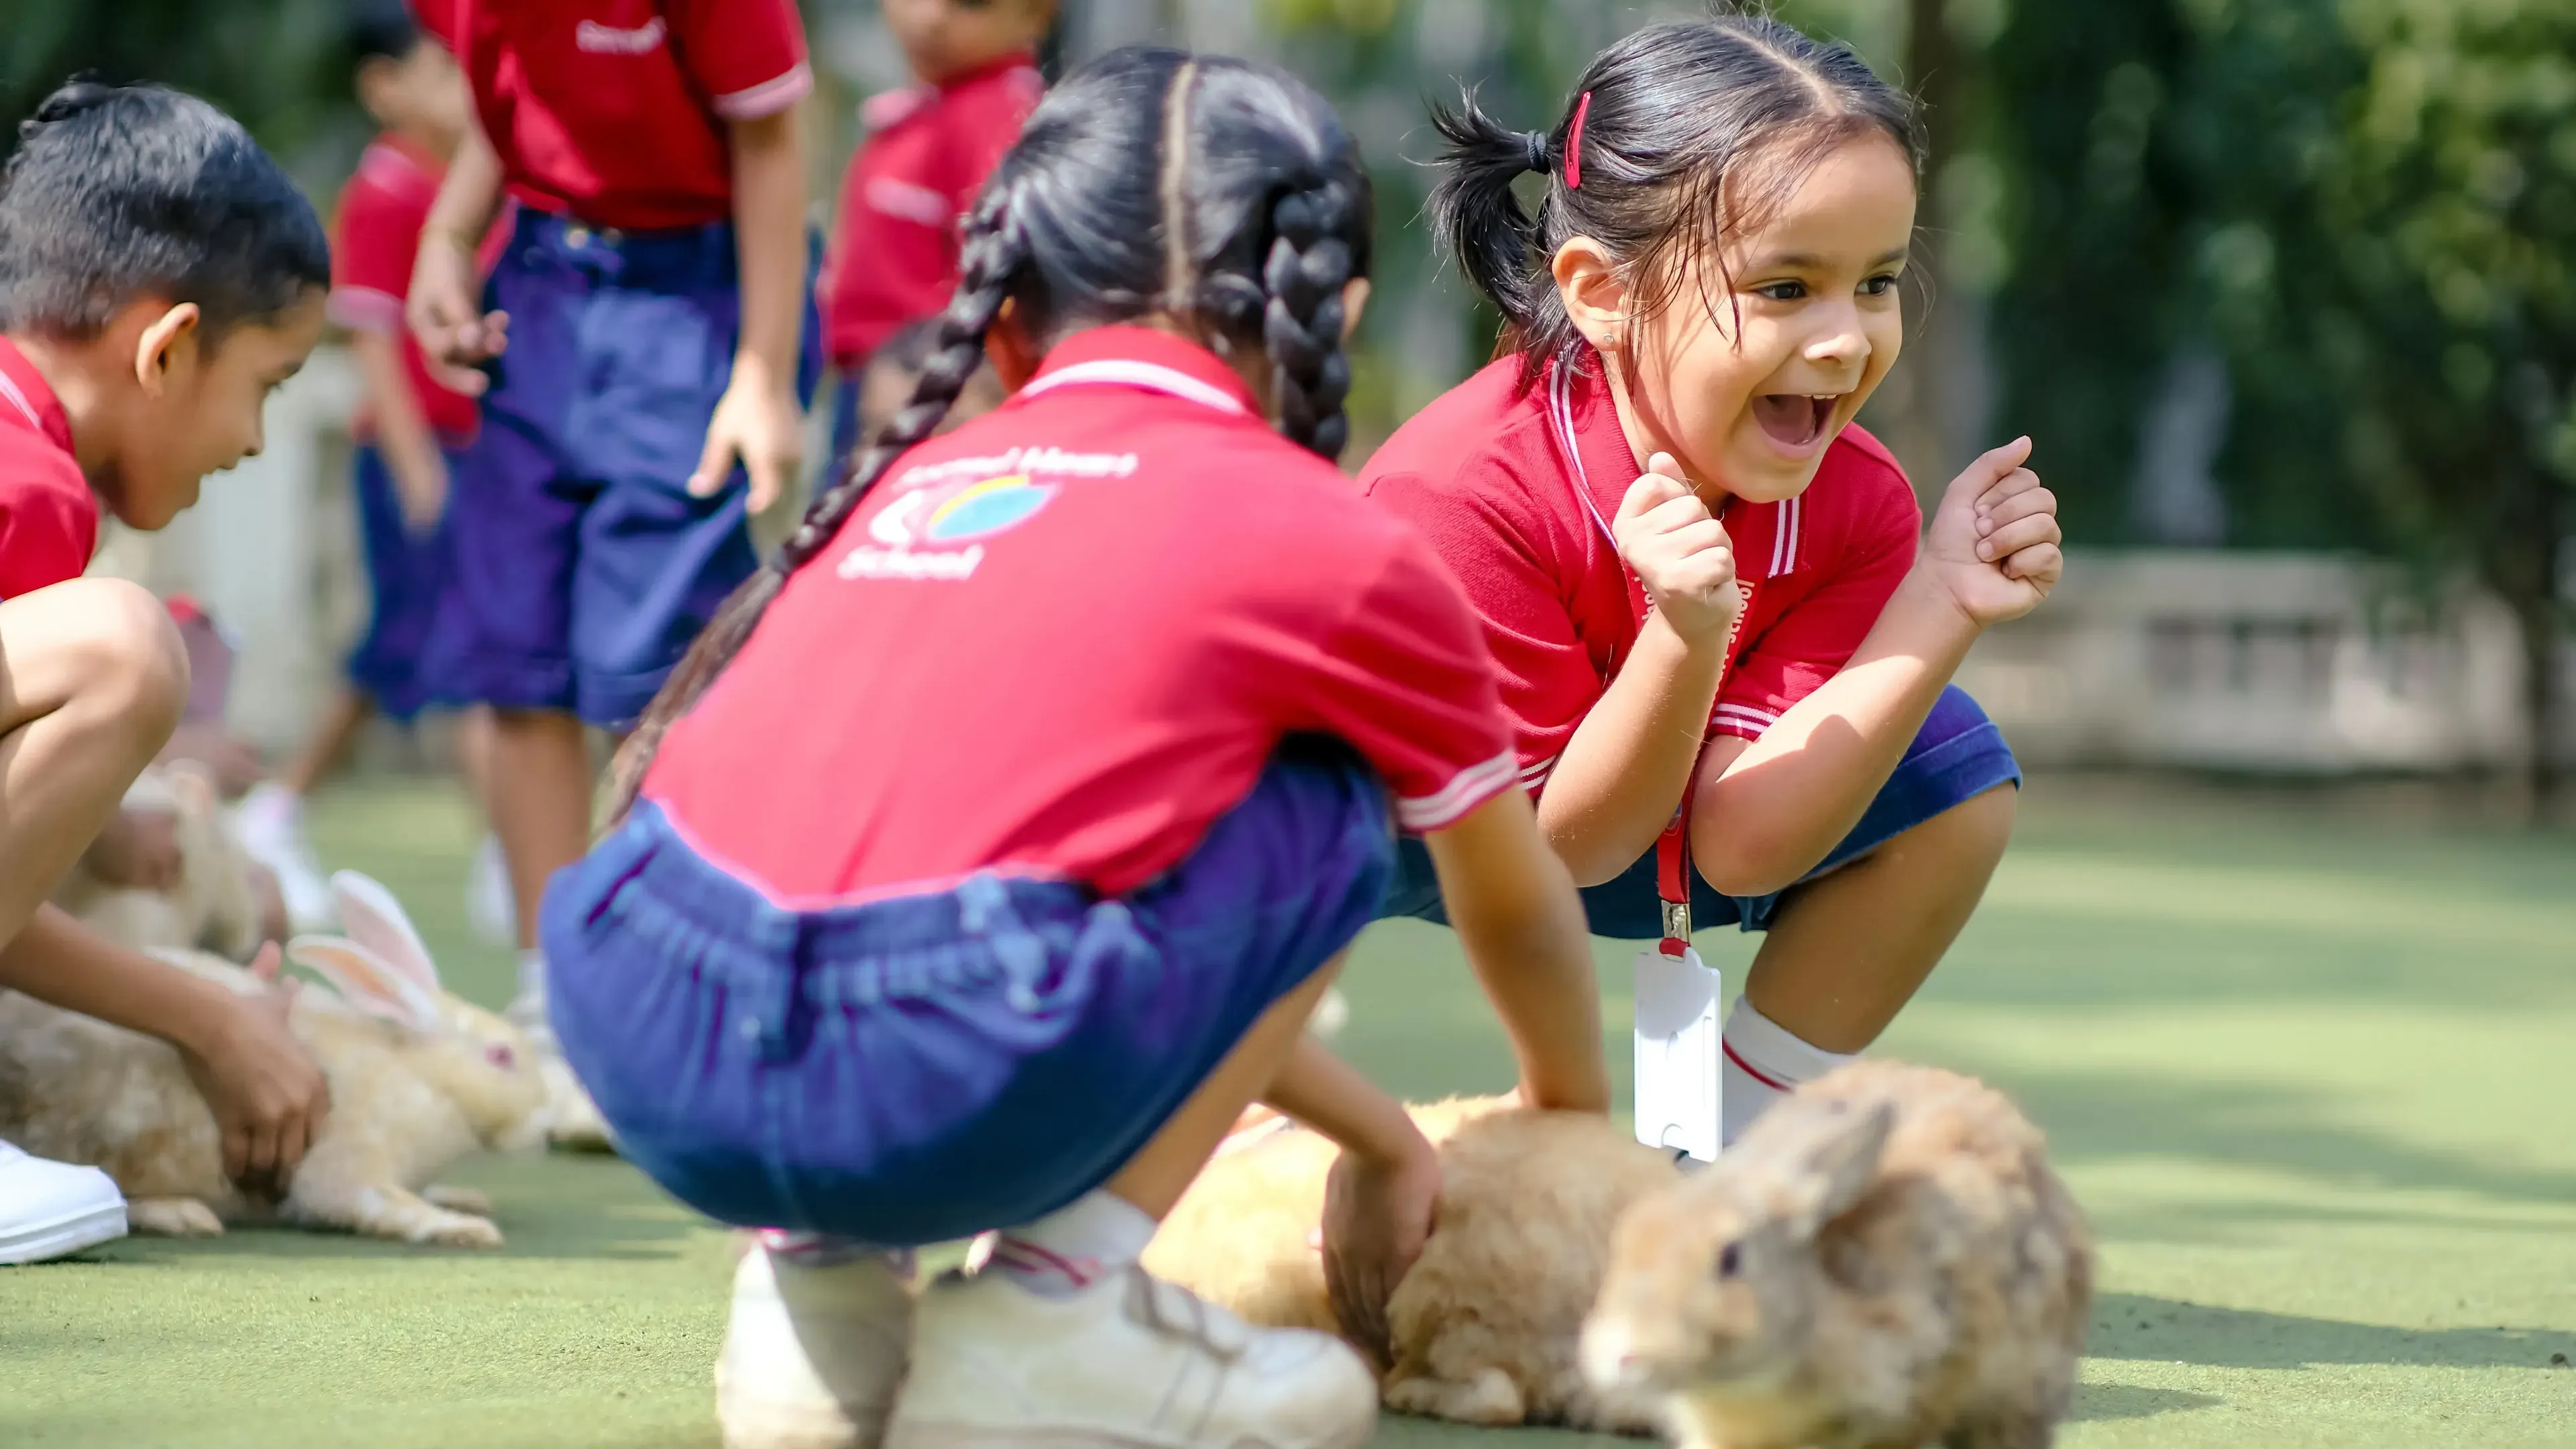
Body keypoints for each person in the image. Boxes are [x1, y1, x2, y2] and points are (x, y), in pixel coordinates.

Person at [539, 46, 1608, 1449]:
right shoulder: (1334, 545)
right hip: (939, 1056)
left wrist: (1380, 1130)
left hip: (643, 1023)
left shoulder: (912, 481)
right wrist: (1568, 1137)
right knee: (1329, 796)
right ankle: (1052, 1315)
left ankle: (817, 1305)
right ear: (1330, 316)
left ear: (998, 328)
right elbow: (1511, 896)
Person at [1362, 14, 2065, 1146]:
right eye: (1786, 288)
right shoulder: (1458, 493)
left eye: (1876, 282)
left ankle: (1720, 1168)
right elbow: (1551, 858)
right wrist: (1685, 635)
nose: (1845, 341)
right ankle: (1154, 1159)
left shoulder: (1855, 499)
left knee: (1953, 763)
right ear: (1600, 292)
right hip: (1404, 833)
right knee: (1231, 829)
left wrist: (1942, 601)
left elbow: (1739, 844)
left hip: (1630, 828)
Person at [405, 0, 826, 1045]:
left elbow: (770, 142)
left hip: (695, 289)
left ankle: (654, 989)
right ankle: (556, 997)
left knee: (652, 671)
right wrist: (448, 237)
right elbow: (513, 102)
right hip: (540, 280)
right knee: (519, 658)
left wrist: (763, 377)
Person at [0, 81, 333, 1263]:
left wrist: (98, 821)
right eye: (269, 388)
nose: (252, 441)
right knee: (124, 650)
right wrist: (212, 1016)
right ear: (171, 347)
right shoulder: (28, 493)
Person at [233, 0, 503, 934]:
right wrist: (417, 464)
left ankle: (500, 847)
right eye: (439, 68)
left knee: (474, 648)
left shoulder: (476, 185)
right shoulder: (389, 190)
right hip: (417, 461)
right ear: (383, 87)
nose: (461, 86)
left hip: (481, 455)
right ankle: (276, 808)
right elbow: (376, 345)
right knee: (403, 648)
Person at [818, 0, 1050, 470]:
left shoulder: (999, 116)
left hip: (925, 395)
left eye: (970, 3)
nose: (932, 17)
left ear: (1037, 14)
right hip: (874, 386)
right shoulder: (929, 106)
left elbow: (1008, 274)